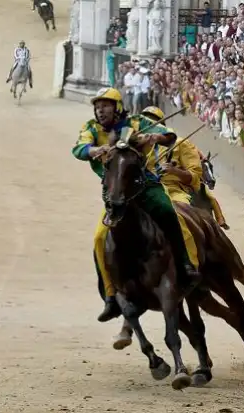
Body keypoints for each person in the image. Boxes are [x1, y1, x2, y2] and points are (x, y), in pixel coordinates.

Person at [71, 88, 202, 322]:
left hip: (145, 187)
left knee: (167, 211)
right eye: (98, 107)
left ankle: (184, 264)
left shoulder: (137, 122)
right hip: (115, 195)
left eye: (106, 106)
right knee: (100, 238)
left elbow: (169, 135)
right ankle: (111, 296)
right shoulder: (91, 128)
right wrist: (94, 150)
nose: (101, 111)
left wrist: (155, 137)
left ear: (118, 107)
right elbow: (79, 149)